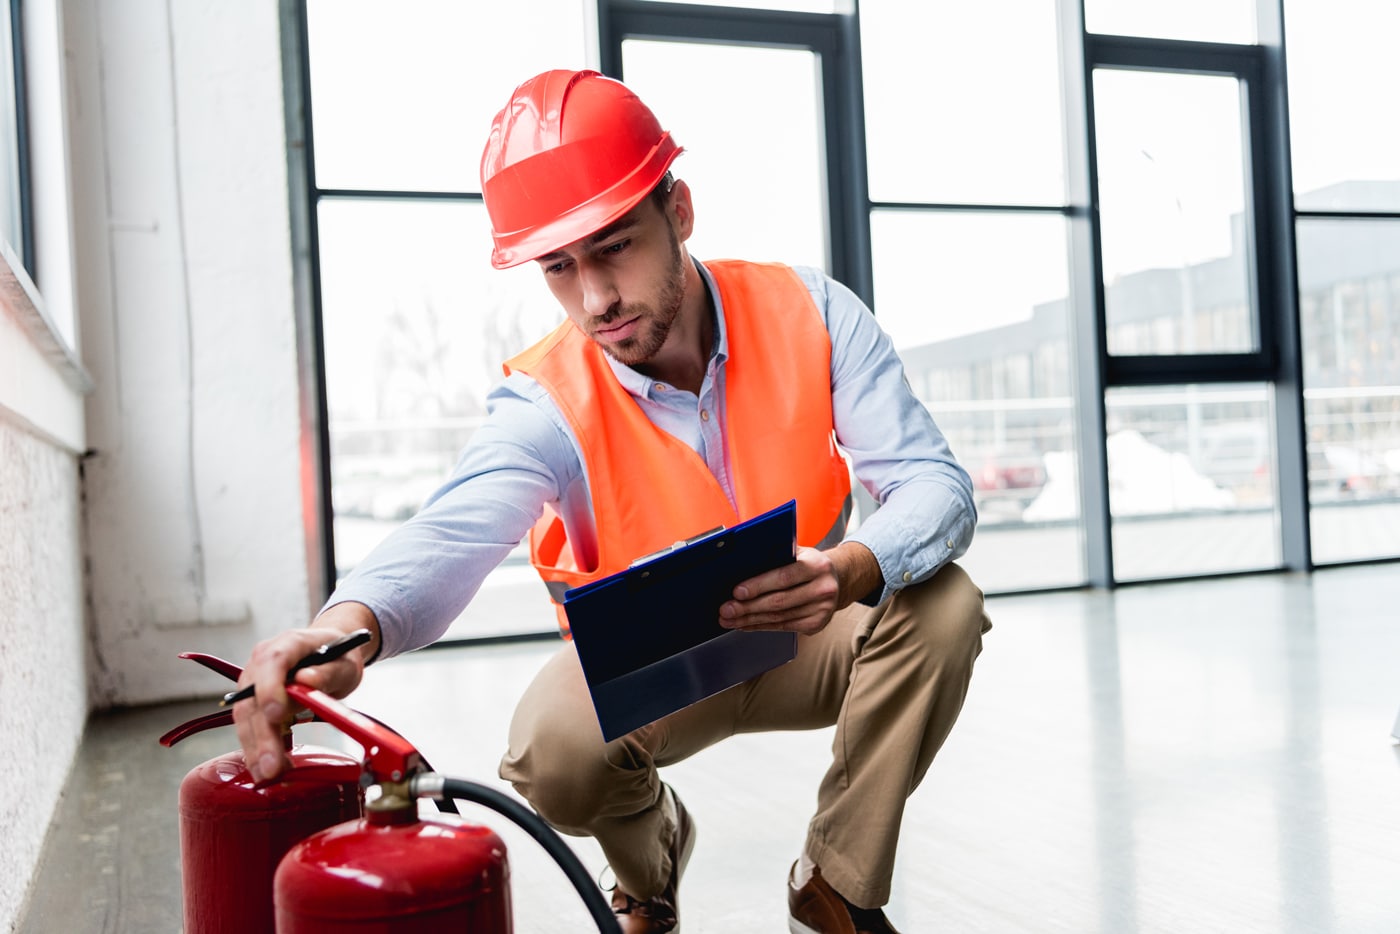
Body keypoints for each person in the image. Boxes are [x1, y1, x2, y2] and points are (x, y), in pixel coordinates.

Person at [233, 69, 991, 934]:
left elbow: (935, 484)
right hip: (655, 670)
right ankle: (650, 868)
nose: (595, 299)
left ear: (680, 212)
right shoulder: (546, 401)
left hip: (808, 626)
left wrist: (848, 567)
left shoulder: (813, 312)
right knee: (550, 751)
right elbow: (451, 533)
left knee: (946, 604)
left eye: (615, 247)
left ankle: (835, 886)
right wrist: (345, 628)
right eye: (560, 267)